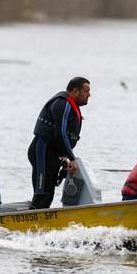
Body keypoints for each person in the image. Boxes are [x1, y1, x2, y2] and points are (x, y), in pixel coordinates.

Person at [28, 76, 91, 209]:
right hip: (42, 151)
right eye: (86, 91)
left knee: (48, 196)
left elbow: (60, 138)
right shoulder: (64, 104)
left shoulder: (70, 105)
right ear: (75, 91)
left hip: (51, 154)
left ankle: (42, 227)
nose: (89, 95)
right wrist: (72, 158)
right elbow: (60, 134)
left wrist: (64, 158)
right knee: (42, 195)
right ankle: (30, 226)